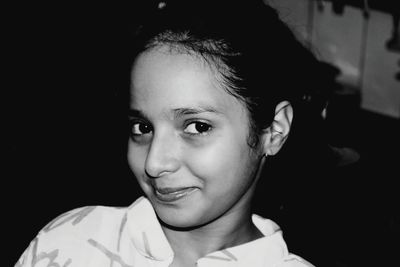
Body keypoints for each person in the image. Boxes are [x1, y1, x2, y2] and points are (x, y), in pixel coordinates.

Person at [16, 1, 329, 266]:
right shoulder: (69, 243)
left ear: (274, 130)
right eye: (143, 127)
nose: (154, 163)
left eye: (197, 127)